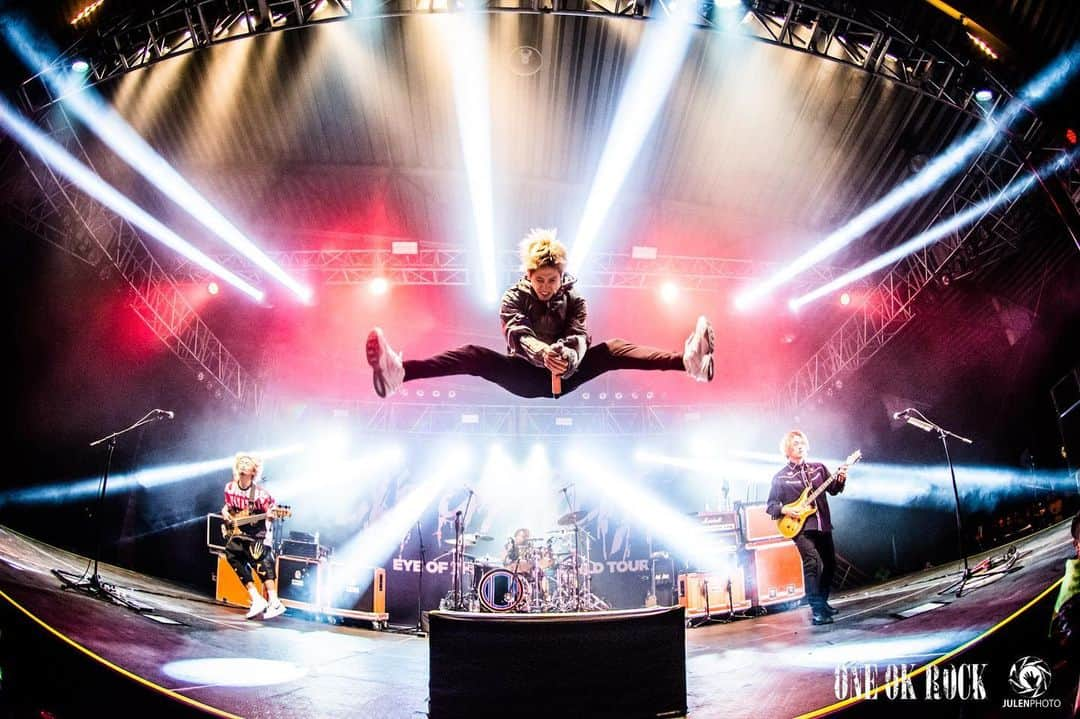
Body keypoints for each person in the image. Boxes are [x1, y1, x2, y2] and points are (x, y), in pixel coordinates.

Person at [366, 228, 715, 399]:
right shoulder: (512, 298)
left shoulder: (576, 299)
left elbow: (580, 333)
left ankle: (688, 363)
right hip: (527, 376)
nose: (546, 286)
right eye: (540, 280)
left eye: (553, 279)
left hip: (568, 373)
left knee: (611, 351)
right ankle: (400, 374)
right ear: (528, 277)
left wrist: (569, 354)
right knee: (472, 356)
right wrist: (543, 352)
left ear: (561, 276)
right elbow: (516, 335)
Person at [766, 430, 851, 626]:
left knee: (831, 565)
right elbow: (771, 506)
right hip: (800, 527)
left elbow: (834, 490)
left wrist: (841, 478)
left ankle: (822, 601)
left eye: (802, 442)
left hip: (822, 523)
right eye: (795, 443)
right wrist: (787, 509)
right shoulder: (781, 477)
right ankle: (817, 611)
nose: (800, 445)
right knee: (812, 564)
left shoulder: (819, 468)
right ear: (787, 449)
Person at [221, 452, 286, 620]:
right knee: (231, 554)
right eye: (241, 461)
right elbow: (229, 507)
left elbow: (272, 509)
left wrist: (271, 515)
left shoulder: (260, 494)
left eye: (247, 463)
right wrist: (225, 512)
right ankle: (256, 598)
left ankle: (275, 602)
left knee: (260, 563)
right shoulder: (230, 487)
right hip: (240, 532)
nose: (243, 464)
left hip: (258, 533)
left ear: (253, 471)